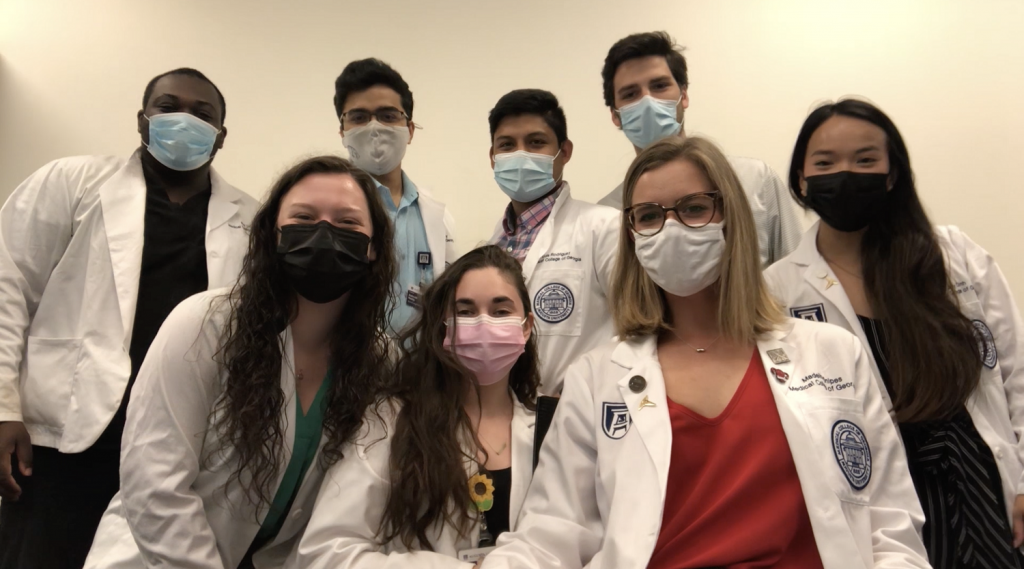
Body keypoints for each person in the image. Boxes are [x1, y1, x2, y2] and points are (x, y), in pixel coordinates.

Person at [481, 136, 930, 568]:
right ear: (632, 233)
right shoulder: (596, 376)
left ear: (731, 217)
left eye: (695, 208)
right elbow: (552, 532)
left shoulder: (832, 353)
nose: (670, 227)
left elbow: (889, 529)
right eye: (649, 216)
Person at [82, 155, 397, 568]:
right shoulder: (204, 323)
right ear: (273, 234)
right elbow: (154, 482)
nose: (324, 233)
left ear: (373, 248)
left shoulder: (379, 360)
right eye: (303, 217)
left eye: (348, 223)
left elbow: (350, 501)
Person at [0, 67, 259, 569]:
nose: (184, 119)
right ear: (142, 121)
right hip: (65, 436)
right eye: (168, 107)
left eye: (203, 114)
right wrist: (3, 407)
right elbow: (8, 290)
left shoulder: (250, 219)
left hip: (177, 442)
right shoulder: (70, 183)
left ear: (222, 136)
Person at [764, 98, 1024, 567]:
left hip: (980, 484)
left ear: (891, 175)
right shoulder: (777, 290)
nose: (845, 174)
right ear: (801, 179)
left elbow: (1015, 370)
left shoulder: (951, 255)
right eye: (825, 162)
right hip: (878, 494)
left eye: (865, 160)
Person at [293, 245, 539, 567]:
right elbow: (326, 551)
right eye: (464, 312)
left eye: (500, 311)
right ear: (443, 328)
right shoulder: (390, 421)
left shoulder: (548, 431)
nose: (483, 325)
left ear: (526, 326)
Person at [596, 31, 802, 266]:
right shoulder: (608, 215)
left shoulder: (755, 180)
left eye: (659, 86)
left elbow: (796, 278)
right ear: (615, 116)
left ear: (683, 96)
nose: (647, 101)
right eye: (631, 94)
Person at [487, 89, 618, 394]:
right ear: (493, 158)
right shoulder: (494, 244)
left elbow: (639, 331)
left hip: (580, 415)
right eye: (507, 145)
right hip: (504, 415)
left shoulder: (604, 228)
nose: (521, 155)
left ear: (565, 151)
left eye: (536, 143)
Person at [335, 58, 456, 336]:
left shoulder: (438, 218)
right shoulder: (325, 211)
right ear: (343, 131)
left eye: (388, 116)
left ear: (410, 130)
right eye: (359, 117)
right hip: (345, 369)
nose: (374, 128)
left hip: (418, 372)